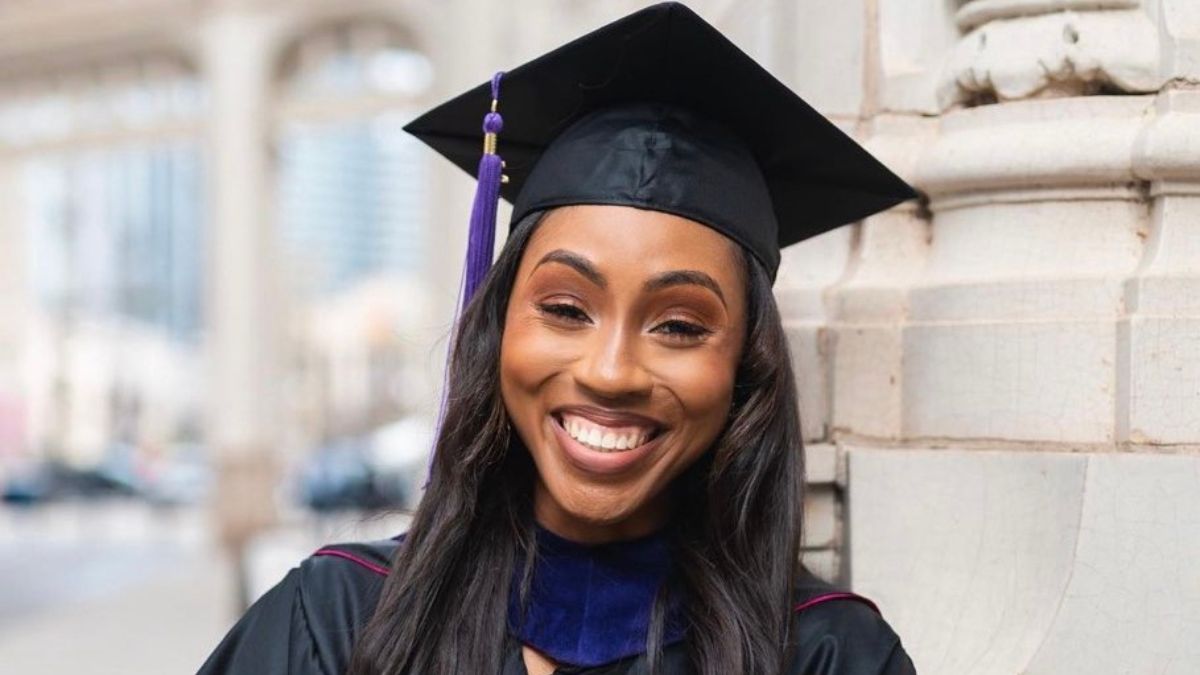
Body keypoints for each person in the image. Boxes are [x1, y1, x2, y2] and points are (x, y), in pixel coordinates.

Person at [198, 3, 919, 674]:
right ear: (499, 325)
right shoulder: (333, 622)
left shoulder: (829, 657)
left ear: (745, 368)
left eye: (679, 325)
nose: (610, 371)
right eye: (567, 308)